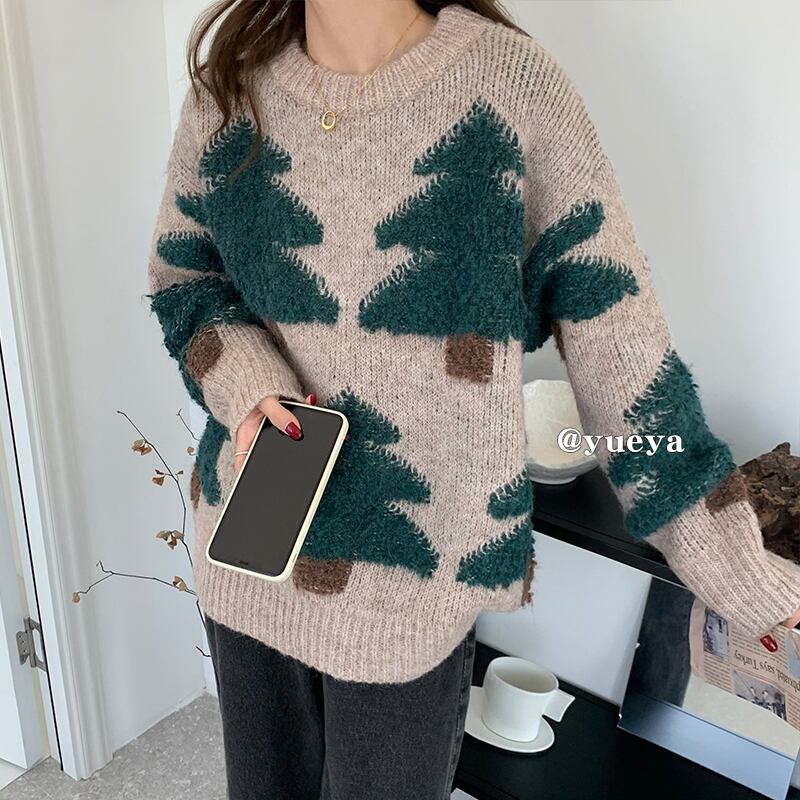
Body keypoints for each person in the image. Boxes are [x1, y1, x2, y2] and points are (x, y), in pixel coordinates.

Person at [145, 1, 800, 797]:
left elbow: (622, 355)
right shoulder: (227, 92)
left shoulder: (511, 88)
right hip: (248, 552)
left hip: (411, 585)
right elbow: (184, 280)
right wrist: (246, 384)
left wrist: (737, 570)